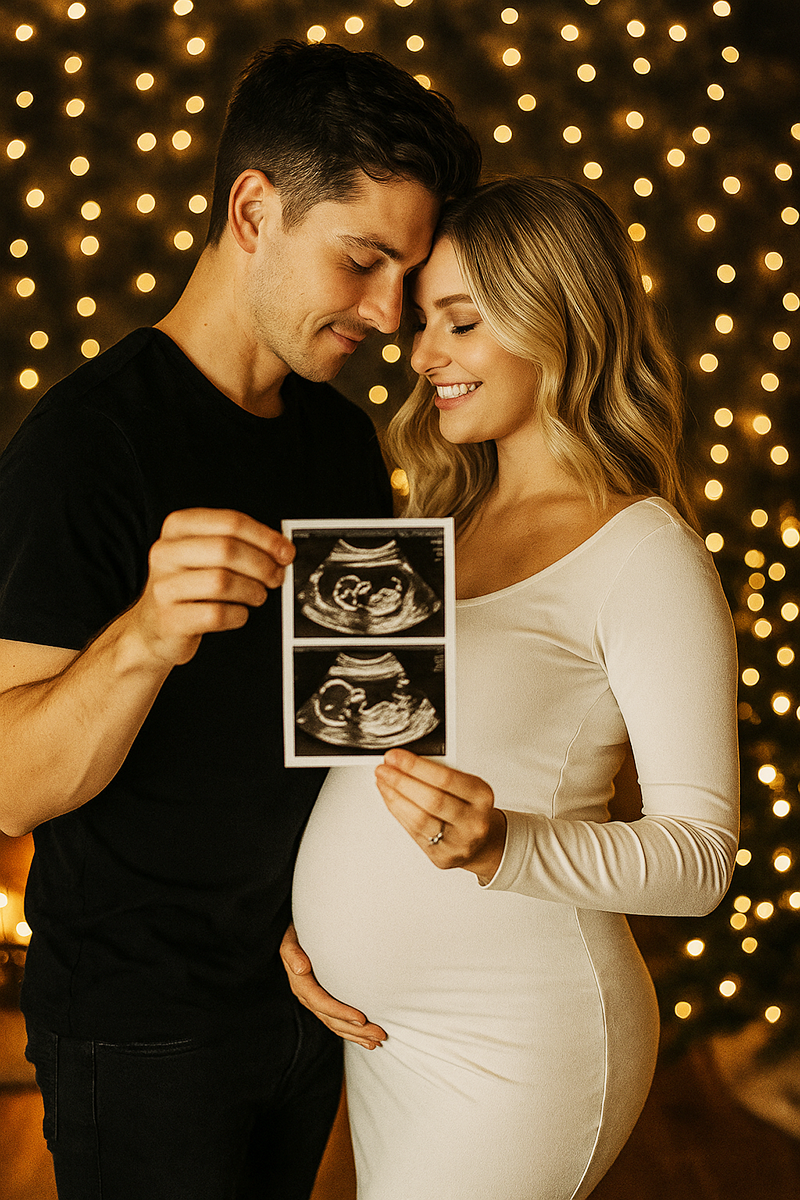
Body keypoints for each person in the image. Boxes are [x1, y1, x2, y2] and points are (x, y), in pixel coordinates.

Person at [0, 39, 480, 1200]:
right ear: (253, 210)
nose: (383, 314)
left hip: (311, 993)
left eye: (402, 277)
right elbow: (10, 782)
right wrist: (146, 634)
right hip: (140, 1024)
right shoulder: (83, 445)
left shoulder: (339, 441)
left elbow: (346, 741)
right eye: (360, 260)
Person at [282, 176, 740, 1199]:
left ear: (556, 322)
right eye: (422, 324)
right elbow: (356, 782)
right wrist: (305, 926)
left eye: (460, 323)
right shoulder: (430, 528)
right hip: (379, 1038)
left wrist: (503, 846)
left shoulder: (642, 551)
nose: (422, 356)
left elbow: (700, 861)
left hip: (518, 1043)